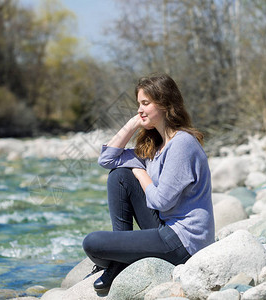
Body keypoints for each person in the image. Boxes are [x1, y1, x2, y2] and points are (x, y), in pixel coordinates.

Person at [82, 73, 215, 293]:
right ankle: (119, 262)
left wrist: (140, 172)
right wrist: (133, 124)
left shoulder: (182, 144)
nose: (139, 109)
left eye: (145, 103)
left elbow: (161, 200)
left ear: (164, 104)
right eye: (138, 104)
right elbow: (107, 160)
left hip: (185, 241)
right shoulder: (155, 146)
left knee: (92, 243)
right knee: (119, 176)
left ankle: (118, 263)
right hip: (165, 228)